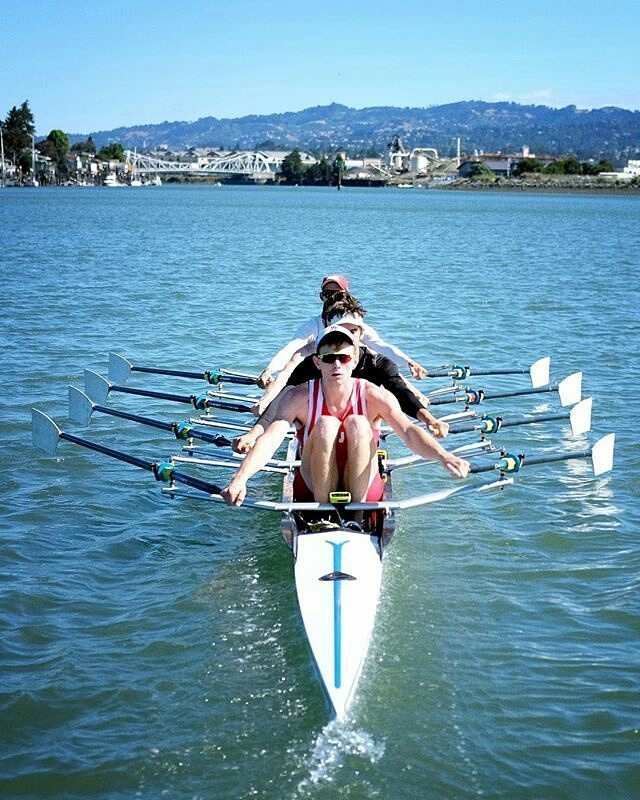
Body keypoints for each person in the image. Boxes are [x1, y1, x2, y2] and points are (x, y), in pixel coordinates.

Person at [222, 325, 469, 507]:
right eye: (329, 358)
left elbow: (407, 431)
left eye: (344, 357)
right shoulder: (298, 397)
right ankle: (324, 514)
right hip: (312, 488)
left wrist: (443, 456)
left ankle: (358, 514)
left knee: (358, 423)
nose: (336, 365)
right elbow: (271, 439)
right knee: (327, 424)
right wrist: (240, 478)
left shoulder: (375, 396)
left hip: (364, 485)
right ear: (317, 363)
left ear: (355, 360)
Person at [236, 300, 448, 453]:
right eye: (341, 332)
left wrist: (429, 419)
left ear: (361, 334)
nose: (347, 339)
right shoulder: (315, 364)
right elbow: (281, 400)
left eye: (353, 332)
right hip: (320, 444)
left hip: (362, 441)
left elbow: (400, 391)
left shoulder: (378, 364)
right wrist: (253, 434)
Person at [256, 275, 427, 388]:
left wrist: (409, 362)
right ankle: (269, 404)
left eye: (336, 293)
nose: (331, 298)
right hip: (324, 370)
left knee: (375, 354)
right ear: (321, 296)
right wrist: (270, 369)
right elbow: (290, 348)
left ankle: (414, 400)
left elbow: (382, 346)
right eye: (327, 293)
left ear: (346, 296)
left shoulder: (355, 321)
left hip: (354, 369)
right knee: (297, 355)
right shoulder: (313, 324)